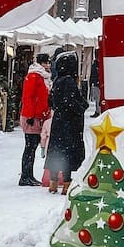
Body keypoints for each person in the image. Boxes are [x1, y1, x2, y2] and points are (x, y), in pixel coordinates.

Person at [44, 51, 87, 194]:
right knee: (67, 152)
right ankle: (67, 183)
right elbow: (72, 103)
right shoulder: (69, 81)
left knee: (57, 151)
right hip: (69, 123)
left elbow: (51, 101)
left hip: (58, 121)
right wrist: (82, 106)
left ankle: (53, 182)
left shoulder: (57, 80)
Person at [18, 52, 51, 186]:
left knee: (32, 147)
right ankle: (25, 176)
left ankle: (28, 175)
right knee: (30, 147)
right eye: (47, 62)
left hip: (38, 115)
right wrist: (30, 115)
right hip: (32, 117)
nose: (48, 65)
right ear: (41, 63)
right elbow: (28, 97)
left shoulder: (42, 76)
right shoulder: (34, 76)